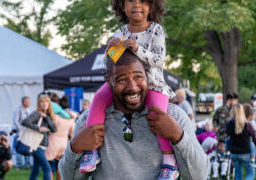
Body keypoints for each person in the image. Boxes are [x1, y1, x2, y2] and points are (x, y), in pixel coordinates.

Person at [58, 49, 210, 180]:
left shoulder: (174, 116)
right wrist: (75, 147)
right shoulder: (89, 120)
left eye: (138, 77)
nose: (132, 87)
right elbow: (69, 177)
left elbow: (199, 176)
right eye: (122, 79)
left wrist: (178, 136)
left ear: (147, 76)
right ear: (108, 81)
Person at [79, 0, 178, 179]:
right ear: (123, 6)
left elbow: (159, 60)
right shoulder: (121, 32)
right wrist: (111, 49)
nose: (137, 5)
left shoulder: (156, 30)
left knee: (158, 112)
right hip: (123, 82)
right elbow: (114, 62)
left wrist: (137, 48)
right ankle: (91, 150)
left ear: (151, 6)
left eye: (143, 0)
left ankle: (169, 161)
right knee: (98, 98)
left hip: (152, 83)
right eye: (131, 0)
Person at [21, 96, 57, 180]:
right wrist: (38, 128)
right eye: (42, 102)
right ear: (39, 104)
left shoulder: (48, 116)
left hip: (43, 145)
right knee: (47, 168)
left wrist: (46, 117)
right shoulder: (36, 113)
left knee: (36, 169)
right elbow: (24, 122)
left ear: (49, 104)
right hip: (36, 145)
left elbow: (54, 129)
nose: (44, 104)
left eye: (46, 102)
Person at [226, 103, 256, 180]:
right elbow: (254, 137)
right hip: (245, 153)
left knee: (238, 175)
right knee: (250, 174)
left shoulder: (229, 124)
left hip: (234, 153)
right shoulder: (247, 124)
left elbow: (228, 136)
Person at [45, 106, 75, 180]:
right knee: (60, 168)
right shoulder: (71, 119)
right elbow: (72, 135)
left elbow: (48, 130)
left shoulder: (54, 117)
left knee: (49, 168)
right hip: (63, 145)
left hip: (51, 144)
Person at [12, 96, 32, 169]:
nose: (29, 103)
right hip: (19, 134)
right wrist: (21, 130)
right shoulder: (18, 110)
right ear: (24, 102)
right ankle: (19, 165)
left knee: (27, 149)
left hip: (27, 134)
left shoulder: (29, 111)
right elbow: (15, 122)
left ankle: (27, 165)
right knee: (18, 150)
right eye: (28, 101)